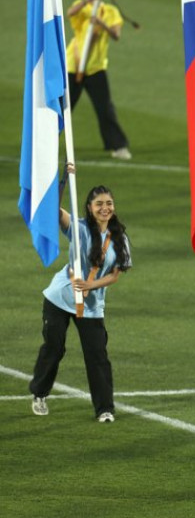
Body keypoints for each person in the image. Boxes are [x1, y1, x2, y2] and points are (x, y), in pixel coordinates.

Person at [29, 168, 132, 422]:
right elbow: (53, 211)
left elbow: (115, 275)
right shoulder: (79, 228)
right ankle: (39, 394)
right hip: (59, 298)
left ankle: (105, 409)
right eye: (99, 204)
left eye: (109, 203)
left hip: (91, 305)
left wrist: (90, 286)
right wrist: (63, 181)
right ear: (89, 207)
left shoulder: (120, 238)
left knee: (97, 356)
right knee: (54, 347)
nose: (105, 208)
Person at [66, 0, 134, 160]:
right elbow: (70, 12)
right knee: (63, 108)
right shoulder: (82, 6)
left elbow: (116, 35)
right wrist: (89, 0)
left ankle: (118, 146)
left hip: (96, 67)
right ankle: (44, 142)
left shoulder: (111, 11)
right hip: (73, 65)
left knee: (105, 109)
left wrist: (101, 23)